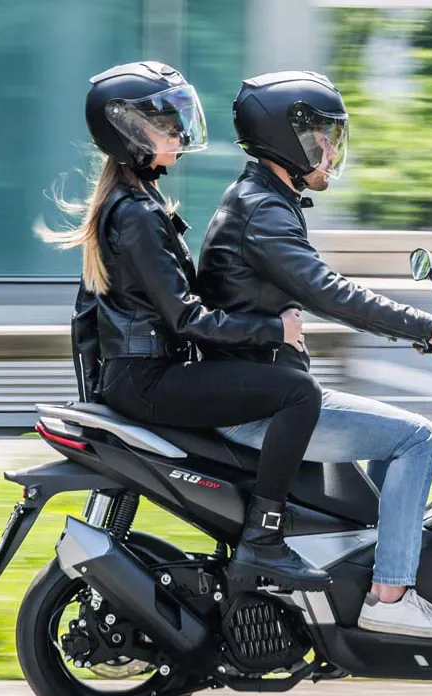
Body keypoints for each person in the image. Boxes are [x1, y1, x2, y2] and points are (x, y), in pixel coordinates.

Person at [196, 71, 432, 638]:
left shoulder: (260, 199)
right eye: (322, 137)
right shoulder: (264, 211)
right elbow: (329, 292)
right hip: (262, 406)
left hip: (261, 392)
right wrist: (429, 328)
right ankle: (390, 594)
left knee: (393, 436)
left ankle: (377, 560)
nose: (330, 151)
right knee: (417, 439)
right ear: (289, 137)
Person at [40, 61, 329, 591]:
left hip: (136, 378)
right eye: (163, 122)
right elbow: (186, 317)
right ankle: (264, 541)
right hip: (151, 380)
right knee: (298, 394)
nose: (178, 131)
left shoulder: (129, 203)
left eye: (177, 118)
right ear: (126, 130)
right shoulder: (138, 215)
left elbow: (88, 316)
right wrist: (273, 330)